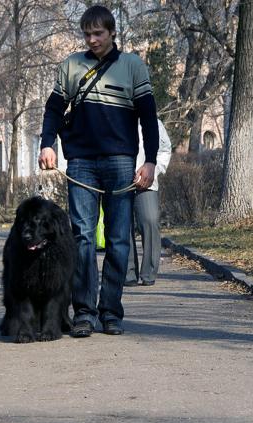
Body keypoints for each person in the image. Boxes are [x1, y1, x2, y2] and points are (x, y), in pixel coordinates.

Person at [38, 5, 159, 337]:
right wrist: (47, 144)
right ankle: (85, 312)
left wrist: (150, 161)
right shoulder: (72, 66)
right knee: (82, 237)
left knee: (120, 239)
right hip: (80, 162)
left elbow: (149, 117)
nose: (92, 40)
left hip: (121, 160)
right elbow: (53, 109)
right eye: (87, 34)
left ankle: (111, 311)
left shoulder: (133, 66)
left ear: (112, 32)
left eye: (99, 34)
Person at [125, 119, 172, 287]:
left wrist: (153, 170)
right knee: (123, 225)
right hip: (119, 181)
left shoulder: (154, 122)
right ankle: (128, 272)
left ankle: (149, 272)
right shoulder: (114, 117)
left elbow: (165, 150)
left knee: (150, 221)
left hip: (146, 183)